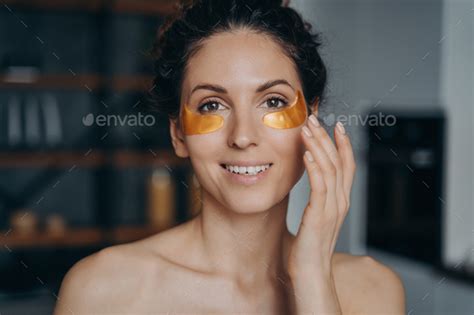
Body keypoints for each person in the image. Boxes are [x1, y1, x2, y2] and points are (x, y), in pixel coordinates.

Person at [54, 0, 406, 313]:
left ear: (310, 118)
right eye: (212, 105)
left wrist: (312, 277)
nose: (242, 136)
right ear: (178, 133)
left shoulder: (372, 289)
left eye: (273, 102)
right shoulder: (103, 291)